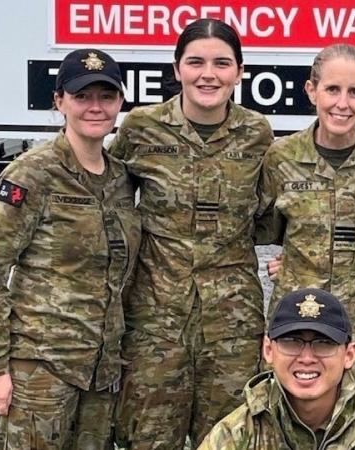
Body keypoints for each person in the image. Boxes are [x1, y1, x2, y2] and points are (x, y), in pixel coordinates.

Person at [108, 19, 274, 449]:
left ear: (239, 72)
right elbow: (111, 203)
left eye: (222, 63)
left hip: (232, 326)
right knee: (148, 437)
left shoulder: (257, 134)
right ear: (177, 68)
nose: (208, 74)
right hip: (154, 322)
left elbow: (275, 211)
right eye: (195, 61)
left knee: (229, 439)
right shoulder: (142, 128)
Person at [0, 48, 140, 449]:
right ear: (59, 101)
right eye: (82, 97)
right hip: (40, 372)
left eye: (106, 96)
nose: (95, 107)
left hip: (100, 375)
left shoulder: (121, 178)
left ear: (119, 103)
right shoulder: (33, 174)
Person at [255, 44, 355, 407]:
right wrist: (293, 260)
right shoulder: (283, 157)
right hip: (299, 335)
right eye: (332, 90)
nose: (343, 103)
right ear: (312, 90)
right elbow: (268, 228)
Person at [198, 288, 355, 450]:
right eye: (292, 342)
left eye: (324, 343)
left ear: (349, 355)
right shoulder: (237, 434)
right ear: (268, 350)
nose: (307, 358)